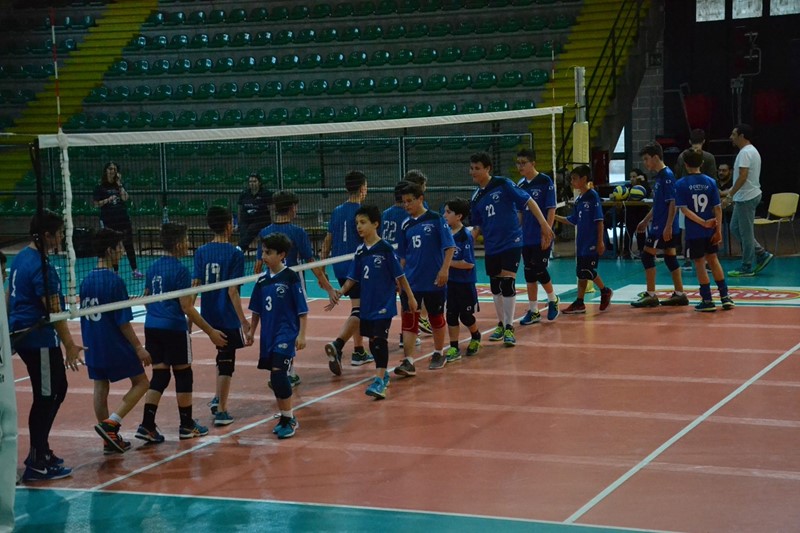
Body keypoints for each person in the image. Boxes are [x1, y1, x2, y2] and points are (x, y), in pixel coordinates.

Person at [136, 223, 226, 444]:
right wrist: (210, 331)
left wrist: (158, 314)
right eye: (186, 240)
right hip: (173, 328)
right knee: (184, 374)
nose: (188, 244)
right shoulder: (181, 270)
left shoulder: (152, 266)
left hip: (152, 326)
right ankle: (186, 425)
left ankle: (147, 425)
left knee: (160, 376)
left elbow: (146, 298)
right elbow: (187, 306)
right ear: (177, 244)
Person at [10, 210, 83, 481]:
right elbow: (53, 311)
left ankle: (41, 451)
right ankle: (37, 461)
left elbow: (8, 295)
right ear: (47, 235)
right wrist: (70, 345)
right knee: (46, 396)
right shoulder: (42, 268)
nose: (62, 237)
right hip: (37, 338)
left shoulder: (20, 258)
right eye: (59, 233)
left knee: (57, 389)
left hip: (27, 335)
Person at [327, 206, 416, 399]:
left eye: (363, 222)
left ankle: (379, 380)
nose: (358, 226)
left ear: (375, 224)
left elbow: (400, 276)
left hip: (383, 304)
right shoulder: (360, 251)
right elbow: (353, 277)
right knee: (373, 342)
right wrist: (340, 292)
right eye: (357, 223)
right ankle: (382, 375)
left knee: (379, 340)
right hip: (367, 305)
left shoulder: (385, 249)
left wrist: (410, 297)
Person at [469, 151, 554, 346]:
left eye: (477, 168)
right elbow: (477, 225)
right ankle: (501, 323)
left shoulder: (503, 184)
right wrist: (467, 240)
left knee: (507, 283)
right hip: (492, 245)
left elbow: (528, 200)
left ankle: (509, 327)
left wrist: (544, 224)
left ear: (488, 168)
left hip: (511, 241)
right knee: (495, 286)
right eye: (471, 168)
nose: (473, 172)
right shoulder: (476, 197)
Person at [256, 190, 339, 385]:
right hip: (292, 284)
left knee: (275, 324)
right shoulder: (298, 232)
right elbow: (311, 263)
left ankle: (282, 369)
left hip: (270, 285)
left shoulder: (264, 232)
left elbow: (258, 266)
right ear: (292, 207)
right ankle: (286, 371)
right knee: (291, 326)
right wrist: (328, 287)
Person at [80, 228, 151, 454]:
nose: (122, 252)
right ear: (110, 250)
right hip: (113, 343)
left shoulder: (85, 280)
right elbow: (123, 322)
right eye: (119, 248)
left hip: (92, 343)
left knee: (100, 386)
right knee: (142, 383)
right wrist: (139, 348)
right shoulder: (114, 281)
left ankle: (108, 440)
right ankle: (112, 423)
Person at [246, 233, 308, 438]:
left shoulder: (290, 277)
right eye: (263, 252)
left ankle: (290, 418)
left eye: (268, 252)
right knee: (275, 377)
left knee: (278, 374)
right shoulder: (262, 280)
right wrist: (251, 331)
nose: (264, 256)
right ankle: (284, 416)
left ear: (281, 255)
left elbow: (302, 310)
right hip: (268, 335)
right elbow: (256, 310)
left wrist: (302, 335)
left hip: (286, 334)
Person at [193, 206, 250, 427]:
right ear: (229, 225)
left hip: (208, 314)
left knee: (221, 354)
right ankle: (222, 411)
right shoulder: (235, 253)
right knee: (227, 361)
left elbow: (195, 286)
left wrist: (190, 317)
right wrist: (243, 321)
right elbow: (232, 291)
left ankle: (218, 397)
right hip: (226, 315)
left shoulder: (201, 251)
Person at [395, 182, 455, 372]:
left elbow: (449, 247)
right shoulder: (405, 224)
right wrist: (398, 278)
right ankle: (408, 361)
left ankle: (438, 352)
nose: (406, 205)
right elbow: (403, 256)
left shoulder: (436, 219)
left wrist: (444, 270)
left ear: (421, 198)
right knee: (409, 320)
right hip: (411, 281)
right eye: (404, 202)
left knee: (436, 317)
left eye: (410, 201)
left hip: (434, 280)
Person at [322, 171, 371, 375]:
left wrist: (322, 268)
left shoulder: (337, 211)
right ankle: (338, 345)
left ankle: (359, 350)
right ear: (362, 188)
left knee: (356, 307)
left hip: (338, 266)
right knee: (361, 310)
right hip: (356, 267)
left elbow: (328, 240)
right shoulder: (362, 213)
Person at [675, 150, 735, 312]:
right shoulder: (710, 182)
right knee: (713, 259)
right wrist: (718, 229)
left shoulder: (681, 184)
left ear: (685, 164)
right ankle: (725, 297)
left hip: (695, 231)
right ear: (701, 163)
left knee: (700, 263)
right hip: (711, 230)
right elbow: (718, 208)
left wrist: (703, 223)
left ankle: (707, 299)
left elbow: (684, 210)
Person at [631, 142, 689, 308]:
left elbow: (673, 203)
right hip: (661, 224)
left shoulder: (667, 176)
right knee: (670, 258)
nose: (645, 163)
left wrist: (668, 226)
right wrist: (645, 220)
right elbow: (658, 205)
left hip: (662, 226)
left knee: (647, 256)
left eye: (646, 159)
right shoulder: (660, 176)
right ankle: (680, 294)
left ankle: (651, 295)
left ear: (656, 157)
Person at [554, 165, 613, 314]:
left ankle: (605, 290)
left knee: (587, 270)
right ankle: (579, 303)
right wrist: (553, 216)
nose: (571, 182)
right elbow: (573, 220)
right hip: (581, 242)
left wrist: (600, 241)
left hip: (592, 241)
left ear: (584, 179)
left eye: (574, 179)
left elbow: (599, 220)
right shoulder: (579, 199)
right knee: (580, 273)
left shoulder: (592, 196)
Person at [515, 149, 560, 325]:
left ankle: (552, 299)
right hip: (526, 236)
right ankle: (533, 311)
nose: (520, 166)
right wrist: (516, 232)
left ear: (533, 163)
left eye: (523, 163)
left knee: (540, 269)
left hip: (541, 234)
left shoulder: (545, 181)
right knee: (529, 273)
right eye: (518, 163)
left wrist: (546, 232)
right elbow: (519, 212)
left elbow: (551, 209)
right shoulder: (520, 185)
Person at [722, 124, 773, 277]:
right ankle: (761, 253)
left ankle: (747, 266)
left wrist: (729, 196)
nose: (731, 137)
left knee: (746, 233)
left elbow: (743, 177)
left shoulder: (745, 153)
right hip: (746, 196)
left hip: (747, 198)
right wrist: (729, 193)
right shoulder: (750, 151)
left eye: (733, 134)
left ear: (742, 136)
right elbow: (742, 178)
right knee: (735, 227)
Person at [381, 180, 420, 349]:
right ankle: (406, 335)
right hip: (401, 262)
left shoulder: (386, 213)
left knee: (385, 301)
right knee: (407, 301)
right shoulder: (407, 215)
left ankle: (380, 336)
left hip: (384, 261)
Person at [441, 198, 481, 362]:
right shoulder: (445, 233)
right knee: (451, 315)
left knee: (466, 316)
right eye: (444, 211)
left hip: (465, 284)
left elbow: (468, 263)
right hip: (450, 283)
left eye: (448, 212)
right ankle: (454, 346)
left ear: (459, 216)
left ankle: (476, 335)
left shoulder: (465, 236)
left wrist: (446, 263)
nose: (444, 215)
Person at [93, 162, 143, 279]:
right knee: (112, 245)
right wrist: (108, 200)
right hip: (109, 220)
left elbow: (125, 198)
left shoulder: (118, 185)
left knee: (128, 244)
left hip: (123, 219)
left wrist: (119, 184)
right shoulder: (100, 187)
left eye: (115, 169)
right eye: (110, 169)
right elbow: (96, 204)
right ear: (106, 171)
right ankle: (115, 271)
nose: (113, 171)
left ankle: (135, 270)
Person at [402, 170, 433, 335]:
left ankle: (407, 331)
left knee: (406, 292)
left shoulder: (396, 207)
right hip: (415, 255)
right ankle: (421, 318)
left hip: (403, 256)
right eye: (424, 185)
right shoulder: (420, 208)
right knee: (424, 288)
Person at [237, 172, 273, 253]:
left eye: (254, 181)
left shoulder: (266, 193)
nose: (252, 183)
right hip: (246, 219)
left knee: (251, 229)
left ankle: (239, 248)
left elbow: (271, 209)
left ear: (259, 183)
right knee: (243, 231)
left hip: (261, 219)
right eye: (250, 182)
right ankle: (242, 249)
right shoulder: (244, 193)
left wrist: (272, 223)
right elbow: (240, 209)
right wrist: (239, 223)